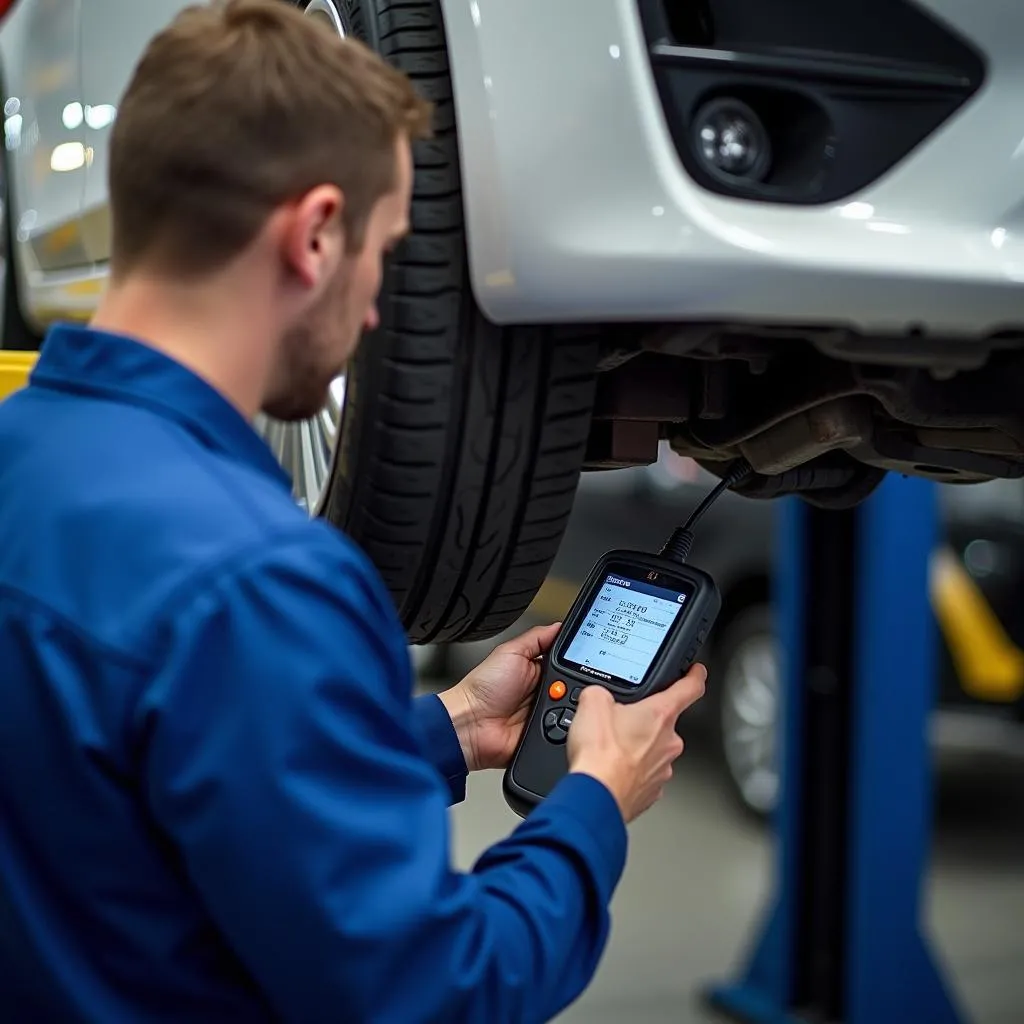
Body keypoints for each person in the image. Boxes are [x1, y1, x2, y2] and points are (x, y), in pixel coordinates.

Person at [0, 2, 706, 1021]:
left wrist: (447, 730)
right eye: (385, 253)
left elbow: (158, 777)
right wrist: (595, 801)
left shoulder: (25, 457)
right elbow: (433, 990)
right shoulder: (269, 580)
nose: (377, 309)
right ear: (316, 232)